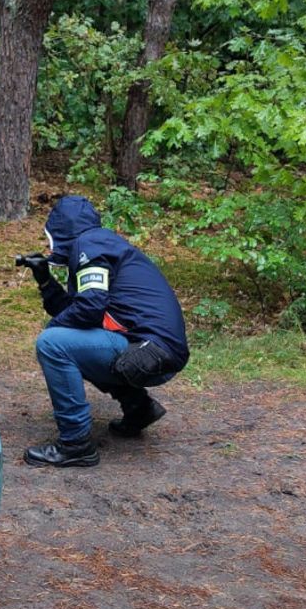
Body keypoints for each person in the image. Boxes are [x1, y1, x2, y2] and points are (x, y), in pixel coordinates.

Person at [20, 195, 189, 467]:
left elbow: (89, 308)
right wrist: (45, 280)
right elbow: (81, 312)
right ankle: (139, 409)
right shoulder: (101, 244)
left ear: (62, 230)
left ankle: (75, 444)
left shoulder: (90, 244)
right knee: (69, 342)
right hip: (153, 350)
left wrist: (51, 331)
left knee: (52, 343)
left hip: (149, 351)